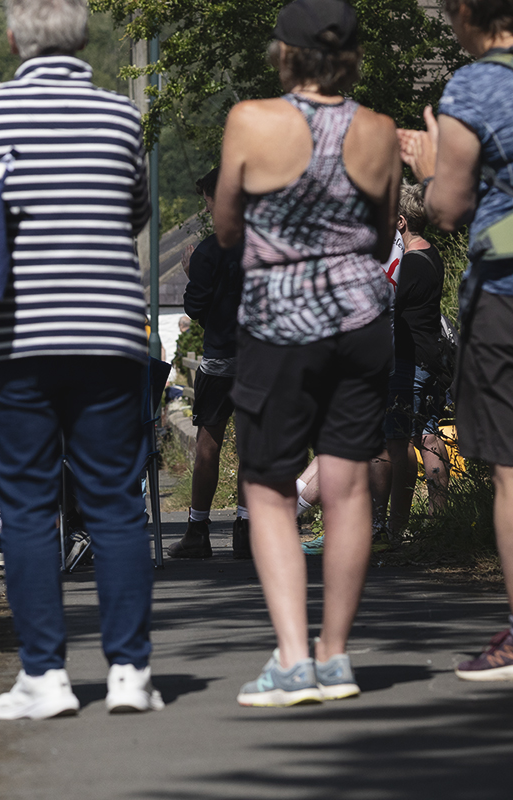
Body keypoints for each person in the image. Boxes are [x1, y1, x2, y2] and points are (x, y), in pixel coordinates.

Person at [0, 0, 162, 720]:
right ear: (83, 37)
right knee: (115, 507)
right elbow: (137, 214)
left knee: (27, 508)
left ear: (14, 35)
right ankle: (130, 675)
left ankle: (46, 678)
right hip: (111, 336)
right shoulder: (120, 116)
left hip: (15, 339)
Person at [214, 0, 402, 706]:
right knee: (348, 485)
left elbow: (227, 226)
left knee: (267, 485)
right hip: (361, 321)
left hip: (281, 321)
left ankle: (293, 659)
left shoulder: (251, 121)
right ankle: (336, 656)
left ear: (285, 54)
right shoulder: (380, 129)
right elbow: (383, 235)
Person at [397, 0, 513, 681]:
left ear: (470, 12)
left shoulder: (477, 85)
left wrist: (428, 167)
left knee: (509, 467)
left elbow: (447, 207)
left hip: (505, 291)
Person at [168, 167, 250, 560]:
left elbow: (196, 309)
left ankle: (198, 530)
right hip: (260, 359)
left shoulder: (207, 250)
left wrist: (190, 272)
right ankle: (247, 529)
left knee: (208, 442)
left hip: (219, 358)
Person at [371, 182, 451, 538]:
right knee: (429, 435)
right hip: (432, 359)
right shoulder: (432, 254)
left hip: (409, 361)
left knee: (396, 442)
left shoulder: (410, 265)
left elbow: (390, 309)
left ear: (401, 221)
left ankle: (393, 527)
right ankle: (437, 521)